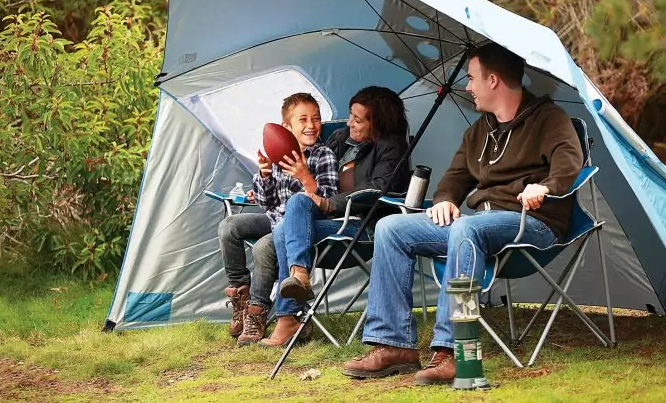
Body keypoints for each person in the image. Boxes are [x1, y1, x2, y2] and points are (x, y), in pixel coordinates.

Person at [341, 43, 583, 384]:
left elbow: (569, 162)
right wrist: (444, 199)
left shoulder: (549, 119)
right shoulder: (479, 130)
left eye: (472, 78)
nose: (467, 86)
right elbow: (455, 177)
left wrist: (545, 186)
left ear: (494, 80)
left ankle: (452, 352)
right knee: (392, 228)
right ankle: (394, 345)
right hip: (477, 223)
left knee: (465, 230)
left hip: (533, 222)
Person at [258, 85, 412, 347]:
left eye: (357, 119)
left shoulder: (393, 149)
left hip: (361, 229)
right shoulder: (341, 139)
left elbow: (376, 190)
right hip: (328, 223)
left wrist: (330, 204)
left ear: (377, 124)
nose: (349, 122)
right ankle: (298, 279)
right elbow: (315, 169)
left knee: (286, 228)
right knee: (294, 208)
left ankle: (288, 316)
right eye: (351, 115)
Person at [218, 92, 338, 345]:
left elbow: (331, 202)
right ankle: (241, 296)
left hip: (300, 226)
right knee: (229, 226)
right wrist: (263, 175)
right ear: (286, 127)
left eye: (315, 119)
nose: (311, 125)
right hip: (273, 218)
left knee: (263, 246)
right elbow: (266, 203)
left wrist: (306, 177)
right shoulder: (277, 154)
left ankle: (258, 311)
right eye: (303, 120)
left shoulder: (323, 155)